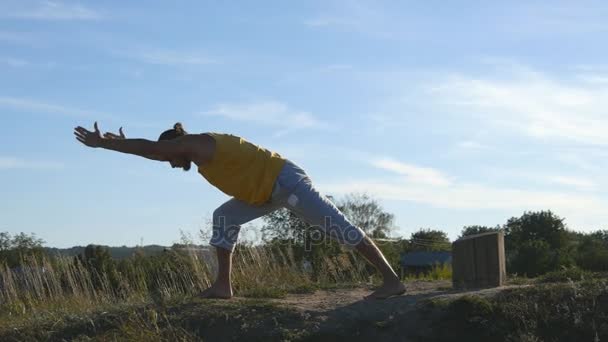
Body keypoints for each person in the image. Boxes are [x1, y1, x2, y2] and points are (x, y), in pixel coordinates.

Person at [74, 122, 406, 299]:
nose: (171, 165)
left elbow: (154, 150)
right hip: (264, 193)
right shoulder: (201, 160)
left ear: (176, 145)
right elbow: (153, 151)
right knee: (224, 217)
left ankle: (391, 281)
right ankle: (223, 286)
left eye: (170, 157)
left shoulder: (199, 142)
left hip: (286, 182)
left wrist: (106, 144)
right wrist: (124, 143)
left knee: (338, 227)